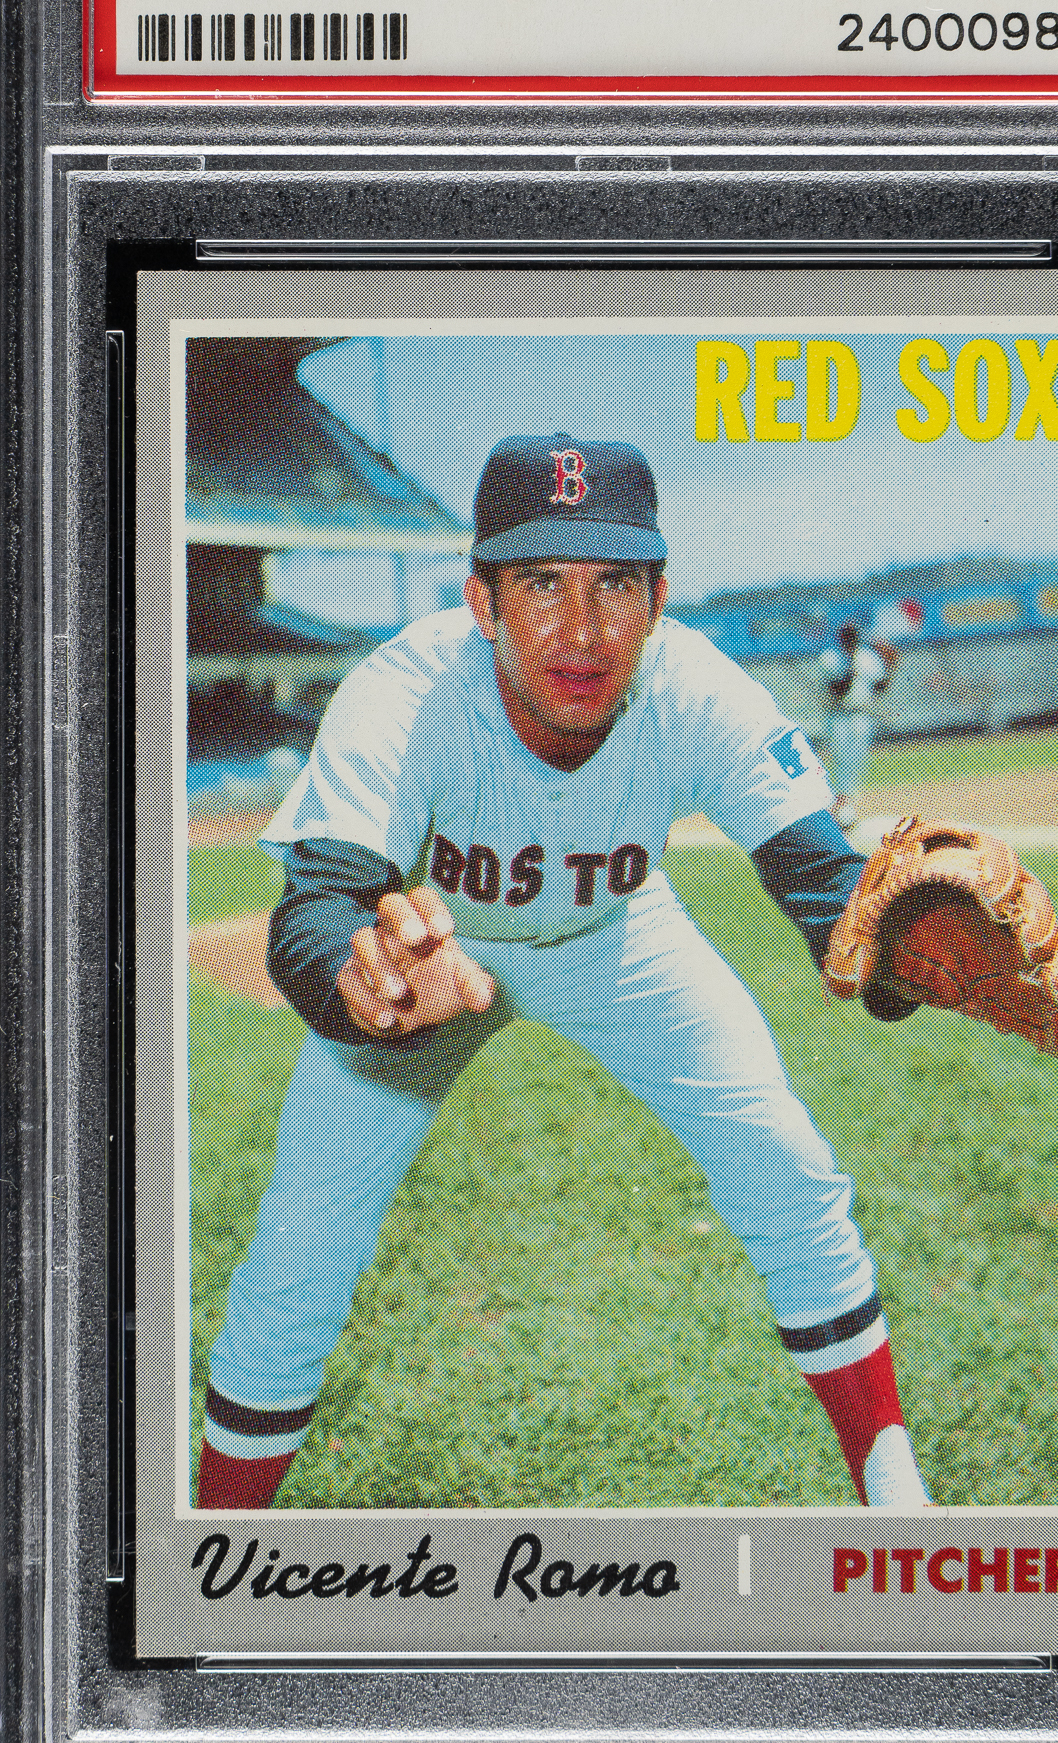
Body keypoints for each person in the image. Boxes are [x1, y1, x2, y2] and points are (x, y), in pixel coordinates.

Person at [194, 437, 931, 1513]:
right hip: (440, 950)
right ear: (481, 601)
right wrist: (369, 985)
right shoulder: (404, 690)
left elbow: (827, 889)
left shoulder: (698, 688)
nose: (581, 629)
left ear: (659, 599)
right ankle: (213, 1551)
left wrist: (912, 955)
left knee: (784, 1164)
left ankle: (894, 1492)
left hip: (619, 939)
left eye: (614, 584)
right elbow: (313, 912)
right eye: (541, 583)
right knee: (299, 1258)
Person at [821, 623, 897, 831]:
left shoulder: (867, 656)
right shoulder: (831, 657)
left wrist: (891, 666)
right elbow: (838, 690)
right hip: (839, 715)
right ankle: (838, 805)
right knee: (841, 758)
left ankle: (846, 805)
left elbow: (879, 686)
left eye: (853, 636)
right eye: (848, 636)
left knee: (856, 760)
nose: (851, 640)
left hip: (862, 714)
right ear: (841, 638)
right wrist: (851, 665)